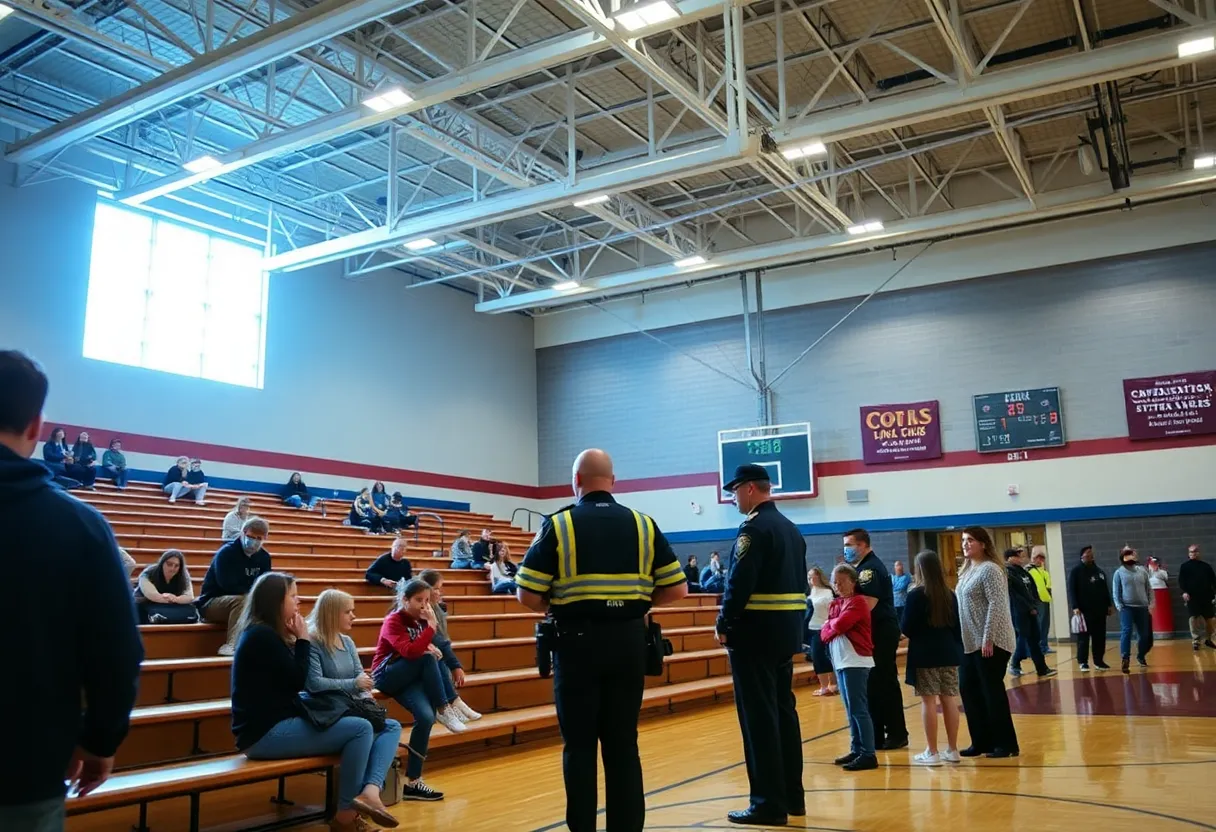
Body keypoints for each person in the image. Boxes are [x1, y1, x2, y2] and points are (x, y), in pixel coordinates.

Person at [0, 351, 143, 829]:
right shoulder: (80, 526)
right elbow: (118, 652)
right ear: (36, 427)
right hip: (24, 768)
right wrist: (101, 739)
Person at [515, 449, 688, 832]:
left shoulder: (559, 525)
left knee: (579, 748)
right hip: (629, 644)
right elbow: (678, 589)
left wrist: (556, 606)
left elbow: (526, 594)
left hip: (576, 646)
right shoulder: (643, 524)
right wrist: (638, 605)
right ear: (613, 481)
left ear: (575, 481)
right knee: (623, 745)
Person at [232, 573, 401, 830]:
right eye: (293, 595)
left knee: (377, 726)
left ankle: (369, 792)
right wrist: (302, 639)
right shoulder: (261, 636)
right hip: (264, 734)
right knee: (360, 729)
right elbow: (299, 681)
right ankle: (346, 817)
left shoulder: (265, 634)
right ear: (275, 601)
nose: (298, 600)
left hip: (277, 723)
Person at [716, 464, 808, 824]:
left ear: (751, 488)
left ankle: (767, 803)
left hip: (754, 636)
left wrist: (724, 623)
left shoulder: (753, 529)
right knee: (784, 713)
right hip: (785, 635)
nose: (733, 498)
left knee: (759, 720)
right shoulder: (790, 528)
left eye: (735, 491)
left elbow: (739, 583)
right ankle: (792, 797)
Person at [372, 579, 472, 802]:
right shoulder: (393, 621)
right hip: (386, 675)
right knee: (427, 658)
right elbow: (409, 651)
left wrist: (434, 646)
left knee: (426, 718)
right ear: (404, 600)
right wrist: (431, 628)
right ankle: (444, 708)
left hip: (409, 676)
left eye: (426, 600)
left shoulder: (420, 621)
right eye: (419, 600)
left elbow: (436, 647)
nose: (424, 605)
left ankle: (414, 782)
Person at [956, 527, 1019, 758]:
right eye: (963, 540)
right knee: (969, 690)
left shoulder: (990, 569)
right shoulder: (966, 570)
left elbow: (996, 604)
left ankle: (1005, 744)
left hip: (992, 640)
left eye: (970, 540)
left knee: (991, 691)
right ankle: (981, 741)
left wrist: (988, 637)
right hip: (970, 642)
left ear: (983, 544)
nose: (965, 544)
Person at [843, 528, 908, 751]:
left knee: (884, 683)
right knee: (873, 685)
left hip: (880, 632)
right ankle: (877, 734)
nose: (846, 549)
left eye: (849, 545)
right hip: (874, 632)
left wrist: (842, 620)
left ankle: (897, 733)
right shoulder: (861, 568)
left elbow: (866, 605)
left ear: (863, 545)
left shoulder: (869, 570)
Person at [900, 550, 963, 766]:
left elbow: (906, 627)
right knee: (949, 699)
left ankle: (932, 752)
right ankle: (953, 749)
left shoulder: (916, 595)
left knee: (928, 701)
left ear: (919, 570)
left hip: (925, 654)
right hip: (949, 652)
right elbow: (957, 627)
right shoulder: (949, 594)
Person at [820, 563, 876, 772]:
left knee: (858, 709)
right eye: (835, 582)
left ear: (853, 582)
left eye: (842, 582)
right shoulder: (836, 604)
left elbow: (840, 625)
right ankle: (856, 748)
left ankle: (868, 754)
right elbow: (824, 634)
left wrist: (831, 625)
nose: (838, 586)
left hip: (855, 661)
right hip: (841, 661)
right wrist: (831, 625)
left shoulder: (858, 602)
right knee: (850, 709)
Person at [197, 516, 272, 656]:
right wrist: (252, 596)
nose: (254, 541)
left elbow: (264, 585)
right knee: (242, 600)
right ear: (243, 533)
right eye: (251, 537)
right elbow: (226, 585)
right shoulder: (226, 553)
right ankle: (232, 644)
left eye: (259, 538)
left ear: (265, 538)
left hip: (246, 601)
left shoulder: (264, 558)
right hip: (212, 603)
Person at [417, 569, 481, 723]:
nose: (440, 593)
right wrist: (455, 665)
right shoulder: (421, 611)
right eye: (437, 589)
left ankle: (452, 704)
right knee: (437, 657)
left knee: (440, 656)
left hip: (434, 650)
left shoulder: (435, 607)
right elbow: (436, 638)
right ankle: (450, 703)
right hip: (417, 656)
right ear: (426, 589)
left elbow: (442, 638)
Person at [1005, 548, 1054, 678]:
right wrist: (1028, 607)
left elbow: (1032, 589)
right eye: (1017, 556)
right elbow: (1014, 595)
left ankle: (1042, 668)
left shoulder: (1023, 572)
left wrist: (1034, 604)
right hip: (1019, 612)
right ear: (1010, 558)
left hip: (1031, 610)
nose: (1021, 559)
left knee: (1034, 639)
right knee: (1023, 639)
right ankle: (1014, 664)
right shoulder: (1008, 573)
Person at [1068, 545, 1113, 671]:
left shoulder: (1099, 571)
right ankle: (1083, 662)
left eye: (1091, 553)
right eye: (1087, 553)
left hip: (1100, 610)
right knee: (1083, 637)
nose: (1090, 555)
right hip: (1084, 610)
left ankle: (1099, 661)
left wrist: (1109, 605)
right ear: (1082, 556)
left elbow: (1105, 589)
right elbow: (1072, 590)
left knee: (1099, 637)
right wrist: (1075, 606)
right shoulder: (1076, 571)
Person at [1112, 547, 1153, 673]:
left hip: (1142, 607)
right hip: (1127, 607)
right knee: (1127, 631)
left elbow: (1148, 588)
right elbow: (1116, 591)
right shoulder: (1119, 573)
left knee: (1144, 635)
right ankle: (1125, 658)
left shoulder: (1142, 571)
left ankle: (1141, 655)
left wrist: (1150, 604)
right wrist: (1119, 605)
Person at [135, 549, 199, 624]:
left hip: (170, 606)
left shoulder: (184, 575)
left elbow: (189, 597)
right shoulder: (148, 573)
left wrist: (175, 599)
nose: (172, 568)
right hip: (147, 604)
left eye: (176, 566)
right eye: (169, 564)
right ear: (162, 563)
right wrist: (173, 599)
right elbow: (152, 595)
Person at [805, 566, 837, 697]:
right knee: (816, 656)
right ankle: (823, 686)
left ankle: (833, 684)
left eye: (813, 575)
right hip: (812, 628)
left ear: (819, 576)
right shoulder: (809, 593)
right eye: (809, 576)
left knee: (828, 656)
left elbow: (832, 610)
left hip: (825, 627)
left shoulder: (827, 592)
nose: (811, 579)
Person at [1178, 544, 1216, 651]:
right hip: (1192, 597)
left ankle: (1209, 639)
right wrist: (1184, 592)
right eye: (1191, 552)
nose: (1193, 554)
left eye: (1195, 551)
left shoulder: (1206, 566)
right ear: (1188, 554)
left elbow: (1213, 581)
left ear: (1199, 553)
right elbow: (1181, 581)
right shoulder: (1184, 566)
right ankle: (1196, 640)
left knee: (1210, 619)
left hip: (1206, 596)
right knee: (1193, 618)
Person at [1026, 547, 1053, 653]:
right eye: (1038, 558)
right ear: (1033, 558)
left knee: (1045, 624)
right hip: (1036, 601)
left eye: (1042, 558)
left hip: (1045, 600)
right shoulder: (1029, 570)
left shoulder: (1044, 572)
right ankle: (1037, 647)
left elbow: (1048, 585)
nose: (1040, 560)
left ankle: (1044, 645)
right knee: (1039, 624)